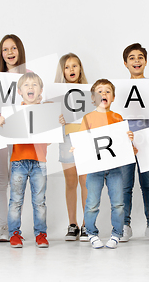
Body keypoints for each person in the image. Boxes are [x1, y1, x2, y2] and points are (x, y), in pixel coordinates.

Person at [76, 79, 134, 249]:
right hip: (95, 169)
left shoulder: (117, 117)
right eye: (100, 91)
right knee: (92, 203)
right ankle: (91, 233)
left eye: (108, 91)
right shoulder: (88, 118)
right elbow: (83, 140)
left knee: (118, 203)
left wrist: (129, 140)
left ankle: (117, 233)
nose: (104, 94)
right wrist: (76, 147)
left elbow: (123, 144)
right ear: (93, 98)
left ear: (113, 97)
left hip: (115, 168)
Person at [0, 72, 51, 248]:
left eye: (35, 85)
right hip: (18, 161)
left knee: (39, 201)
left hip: (39, 162)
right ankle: (14, 234)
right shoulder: (12, 112)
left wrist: (57, 124)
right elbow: (3, 133)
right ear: (19, 91)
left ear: (41, 90)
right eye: (26, 85)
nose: (30, 88)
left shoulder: (45, 112)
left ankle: (41, 235)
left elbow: (49, 140)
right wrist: (2, 122)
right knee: (15, 200)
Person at [0, 34, 28, 242]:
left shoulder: (29, 75)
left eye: (13, 48)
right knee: (0, 180)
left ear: (20, 50)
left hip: (20, 133)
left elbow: (35, 103)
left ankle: (15, 228)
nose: (10, 53)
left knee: (17, 181)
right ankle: (4, 226)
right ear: (1, 53)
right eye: (5, 49)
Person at [121, 43, 149, 242]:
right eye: (132, 58)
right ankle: (124, 225)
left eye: (140, 57)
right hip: (126, 142)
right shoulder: (120, 89)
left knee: (148, 185)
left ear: (145, 61)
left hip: (147, 142)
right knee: (125, 185)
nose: (137, 60)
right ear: (125, 63)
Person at [55, 53, 90, 241]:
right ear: (62, 71)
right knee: (70, 182)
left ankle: (86, 224)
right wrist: (57, 118)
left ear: (80, 69)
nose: (71, 70)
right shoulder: (56, 94)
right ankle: (72, 223)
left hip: (84, 140)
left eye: (75, 66)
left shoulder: (89, 92)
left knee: (85, 182)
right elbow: (48, 120)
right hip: (66, 140)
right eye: (67, 67)